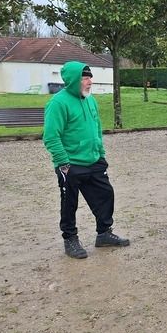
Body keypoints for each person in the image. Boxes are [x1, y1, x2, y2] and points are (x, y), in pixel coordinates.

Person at [43, 61, 129, 259]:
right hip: (70, 164)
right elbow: (51, 136)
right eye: (85, 78)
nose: (90, 81)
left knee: (106, 194)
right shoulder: (58, 103)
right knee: (69, 203)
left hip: (94, 160)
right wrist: (63, 162)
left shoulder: (90, 100)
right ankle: (70, 239)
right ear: (73, 80)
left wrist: (100, 153)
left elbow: (96, 128)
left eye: (90, 77)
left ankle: (104, 233)